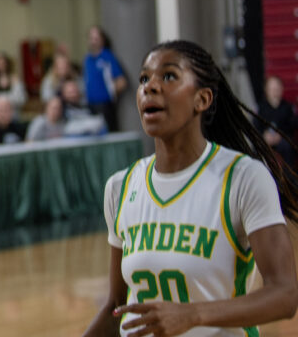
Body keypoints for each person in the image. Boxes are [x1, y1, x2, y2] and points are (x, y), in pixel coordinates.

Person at [83, 40, 298, 337]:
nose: (150, 87)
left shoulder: (243, 178)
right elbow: (116, 308)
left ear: (203, 99)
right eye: (144, 78)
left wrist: (195, 315)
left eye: (168, 76)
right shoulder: (120, 187)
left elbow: (285, 295)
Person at [83, 25, 127, 132]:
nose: (93, 41)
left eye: (96, 38)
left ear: (102, 40)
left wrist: (111, 92)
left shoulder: (107, 57)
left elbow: (122, 81)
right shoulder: (87, 59)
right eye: (91, 38)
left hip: (105, 106)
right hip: (90, 106)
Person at [258, 75, 298, 176]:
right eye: (272, 89)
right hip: (265, 140)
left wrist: (280, 136)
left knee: (288, 146)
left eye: (277, 89)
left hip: (282, 140)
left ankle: (288, 178)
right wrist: (264, 136)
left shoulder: (288, 107)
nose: (274, 92)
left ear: (281, 89)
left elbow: (292, 125)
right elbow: (256, 126)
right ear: (266, 90)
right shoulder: (261, 108)